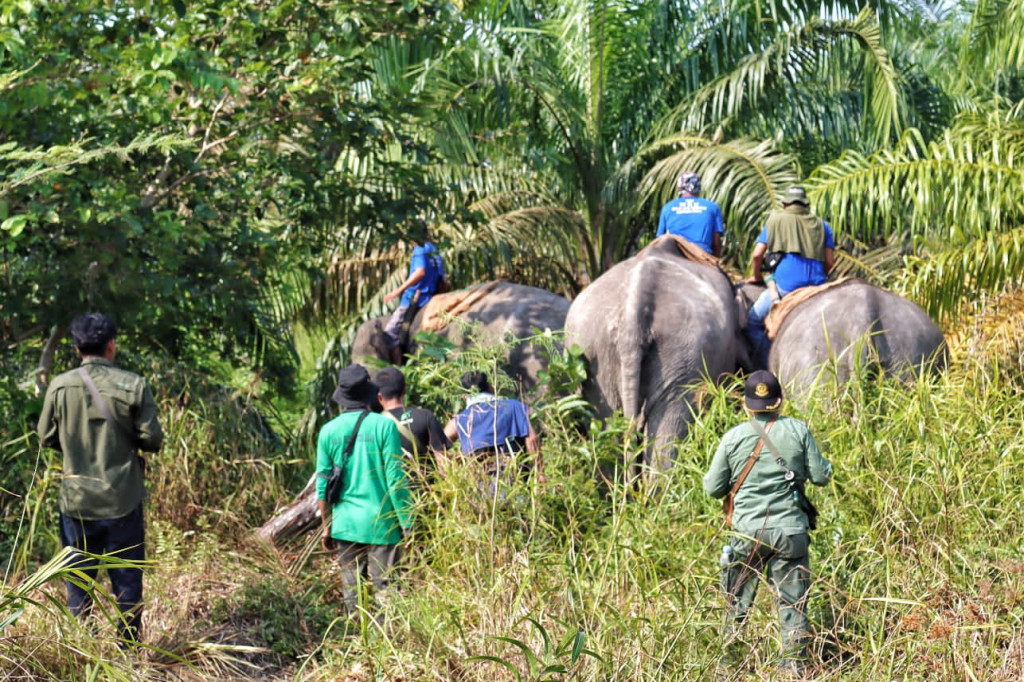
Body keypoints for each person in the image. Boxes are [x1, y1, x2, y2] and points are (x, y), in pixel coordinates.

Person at [37, 313, 164, 646]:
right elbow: (153, 440)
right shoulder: (134, 385)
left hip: (76, 503)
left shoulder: (59, 385)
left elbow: (45, 436)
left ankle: (83, 650)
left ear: (78, 348)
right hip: (122, 500)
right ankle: (128, 653)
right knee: (126, 582)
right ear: (111, 345)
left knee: (78, 582)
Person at [703, 370, 832, 674]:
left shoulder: (733, 437)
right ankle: (794, 672)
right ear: (779, 401)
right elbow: (821, 477)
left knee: (735, 608)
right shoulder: (798, 431)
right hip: (790, 534)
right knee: (793, 608)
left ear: (748, 406)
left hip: (747, 535)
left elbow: (712, 488)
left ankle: (728, 671)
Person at [316, 364, 413, 617]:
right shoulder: (384, 427)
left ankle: (358, 648)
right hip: (382, 523)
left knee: (353, 594)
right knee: (387, 591)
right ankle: (388, 649)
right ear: (369, 393)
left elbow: (323, 485)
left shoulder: (328, 431)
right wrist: (407, 522)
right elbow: (395, 478)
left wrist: (328, 526)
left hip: (346, 524)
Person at [744, 186, 835, 368]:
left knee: (752, 322)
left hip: (786, 288)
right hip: (817, 288)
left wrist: (756, 276)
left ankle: (768, 363)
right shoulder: (823, 225)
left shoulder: (774, 220)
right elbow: (830, 263)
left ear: (785, 204)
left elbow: (756, 255)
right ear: (806, 205)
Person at [443, 371, 543, 493]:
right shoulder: (514, 407)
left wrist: (459, 459)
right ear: (491, 388)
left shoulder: (460, 420)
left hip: (481, 494)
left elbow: (439, 447)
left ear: (464, 396)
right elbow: (532, 439)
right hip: (517, 486)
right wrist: (540, 474)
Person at [381, 223, 446, 365]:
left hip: (416, 298)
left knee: (389, 334)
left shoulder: (420, 250)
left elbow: (420, 272)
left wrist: (397, 291)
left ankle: (399, 368)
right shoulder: (433, 249)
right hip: (432, 296)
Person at [374, 367, 450, 484]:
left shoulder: (374, 425)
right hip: (429, 496)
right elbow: (442, 462)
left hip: (393, 497)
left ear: (379, 396)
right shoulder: (425, 416)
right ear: (405, 390)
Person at [656, 171, 724, 257]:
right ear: (699, 188)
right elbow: (716, 243)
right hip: (702, 254)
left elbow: (660, 240)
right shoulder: (712, 207)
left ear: (679, 188)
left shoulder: (667, 207)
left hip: (675, 254)